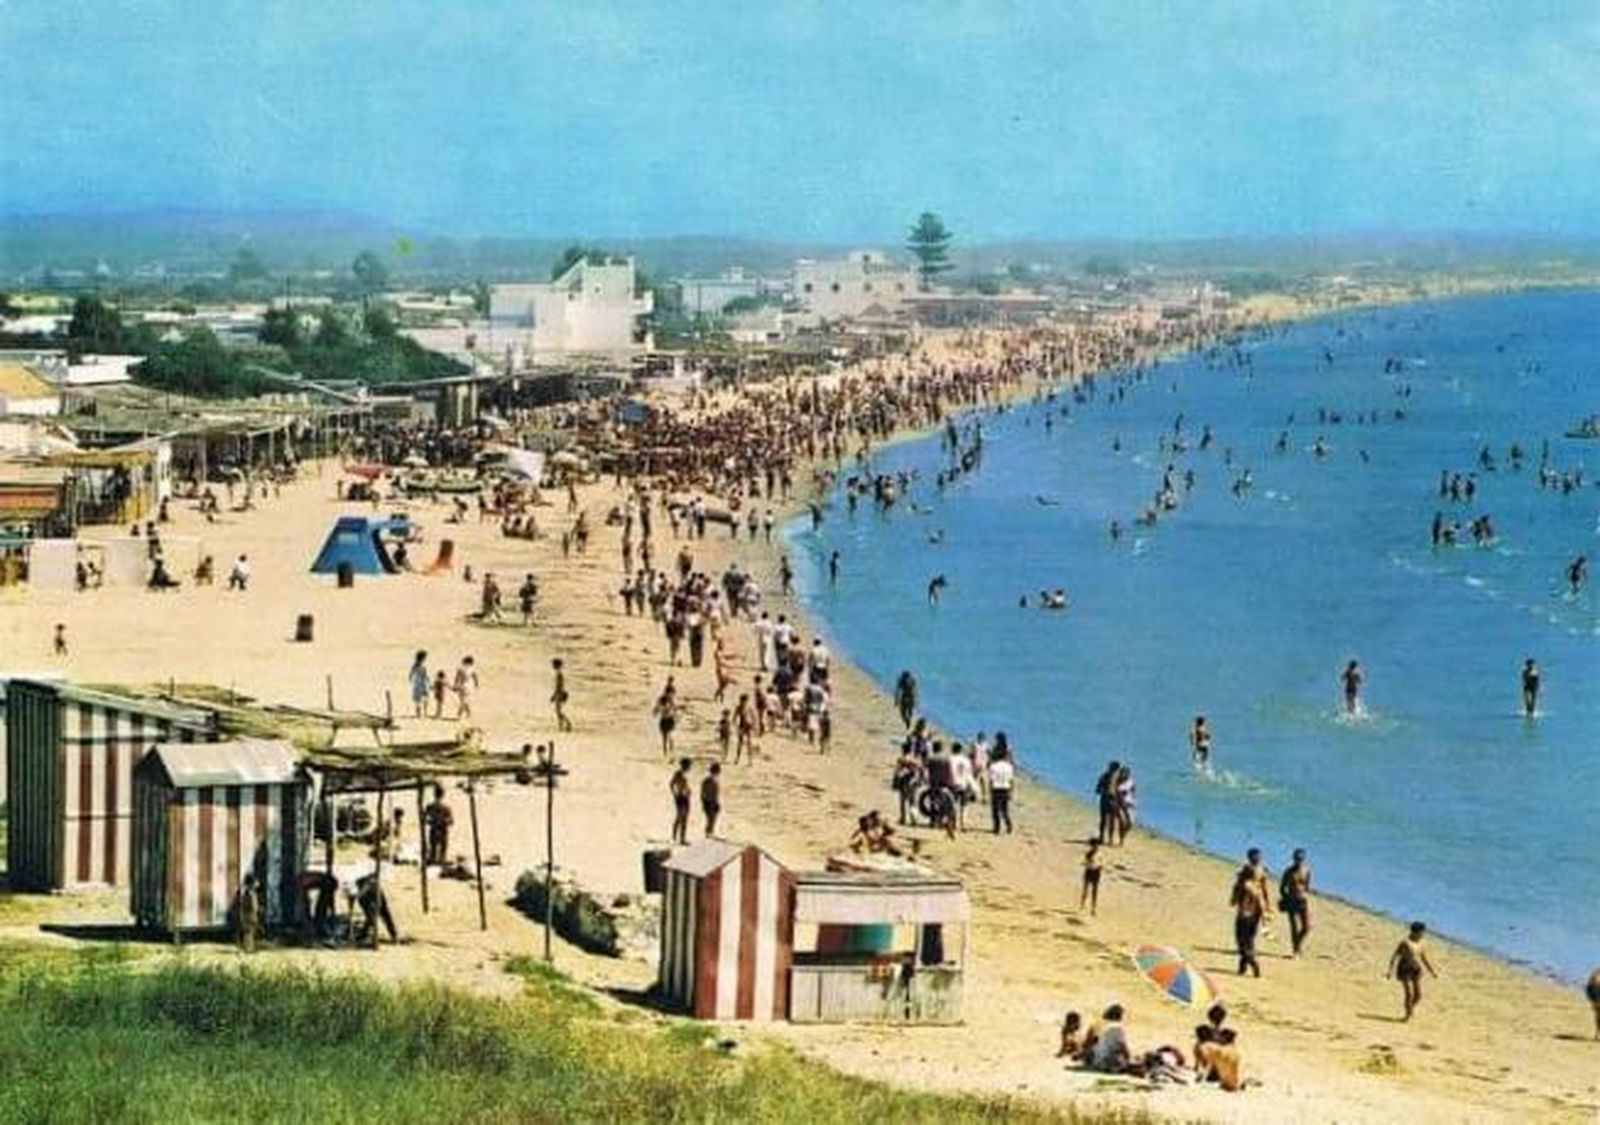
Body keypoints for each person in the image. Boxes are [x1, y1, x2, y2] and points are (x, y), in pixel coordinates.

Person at [1230, 849, 1274, 977]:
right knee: (1249, 939)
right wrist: (1267, 907)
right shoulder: (1261, 874)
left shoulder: (1245, 881)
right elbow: (1265, 891)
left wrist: (1233, 898)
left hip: (1245, 913)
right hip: (1257, 911)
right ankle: (1242, 967)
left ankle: (1253, 963)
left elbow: (1237, 889)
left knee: (1241, 940)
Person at [1386, 921, 1438, 1021]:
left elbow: (1424, 958)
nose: (1423, 934)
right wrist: (1390, 971)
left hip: (1415, 968)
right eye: (1422, 932)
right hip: (1404, 968)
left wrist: (1432, 972)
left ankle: (1410, 1008)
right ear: (1415, 932)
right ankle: (1407, 1015)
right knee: (1409, 993)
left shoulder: (1421, 943)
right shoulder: (1405, 943)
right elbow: (1394, 956)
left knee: (1418, 996)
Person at [1279, 848, 1313, 956]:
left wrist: (1304, 893)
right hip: (1291, 900)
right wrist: (1286, 898)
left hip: (1302, 900)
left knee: (1306, 927)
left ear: (1304, 859)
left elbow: (1307, 886)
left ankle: (1297, 945)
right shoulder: (1288, 872)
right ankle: (1296, 950)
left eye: (1301, 858)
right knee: (1294, 926)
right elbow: (1282, 888)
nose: (1299, 860)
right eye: (1297, 858)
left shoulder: (1307, 871)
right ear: (1293, 859)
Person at [355, 871, 399, 946]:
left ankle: (392, 936)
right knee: (371, 919)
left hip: (377, 901)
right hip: (373, 901)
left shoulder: (370, 885)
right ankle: (364, 935)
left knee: (380, 918)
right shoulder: (367, 887)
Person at [1084, 1004, 1131, 1073]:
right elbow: (1123, 1046)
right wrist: (1129, 1059)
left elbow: (1090, 1042)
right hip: (1107, 1063)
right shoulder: (1117, 1028)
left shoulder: (1099, 1024)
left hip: (1096, 1061)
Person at [422, 785, 453, 865]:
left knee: (433, 848)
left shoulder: (430, 807)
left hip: (434, 829)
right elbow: (451, 821)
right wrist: (443, 821)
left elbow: (424, 819)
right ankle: (441, 860)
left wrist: (432, 821)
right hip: (442, 829)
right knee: (442, 848)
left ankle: (434, 860)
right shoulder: (446, 808)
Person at [988, 747, 1014, 834]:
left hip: (996, 788)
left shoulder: (993, 766)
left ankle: (997, 827)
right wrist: (1011, 791)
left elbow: (991, 780)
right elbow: (1011, 780)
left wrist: (990, 790)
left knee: (995, 810)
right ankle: (1008, 825)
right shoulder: (1009, 766)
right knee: (1005, 810)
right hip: (1005, 788)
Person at [236, 873, 262, 953]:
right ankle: (248, 948)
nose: (258, 884)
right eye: (256, 882)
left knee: (251, 932)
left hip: (250, 914)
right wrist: (256, 911)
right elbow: (251, 905)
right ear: (251, 883)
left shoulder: (250, 893)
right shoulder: (249, 893)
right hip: (249, 915)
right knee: (248, 932)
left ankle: (250, 947)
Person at [669, 758, 692, 845]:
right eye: (689, 765)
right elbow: (671, 784)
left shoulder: (685, 774)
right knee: (679, 817)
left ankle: (682, 838)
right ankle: (675, 836)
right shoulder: (678, 774)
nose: (690, 767)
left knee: (685, 818)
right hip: (680, 797)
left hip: (685, 797)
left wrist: (688, 791)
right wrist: (675, 793)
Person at [1080, 837, 1103, 916]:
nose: (1096, 846)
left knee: (1094, 891)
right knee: (1086, 889)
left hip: (1095, 872)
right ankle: (1083, 904)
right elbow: (1086, 863)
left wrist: (1099, 868)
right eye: (1094, 845)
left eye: (1097, 845)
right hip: (1089, 871)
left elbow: (1101, 863)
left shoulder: (1099, 854)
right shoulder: (1088, 854)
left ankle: (1093, 908)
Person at [700, 762, 722, 837]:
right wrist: (705, 802)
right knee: (711, 819)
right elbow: (703, 793)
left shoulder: (712, 780)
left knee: (712, 819)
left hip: (712, 802)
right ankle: (708, 833)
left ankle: (710, 832)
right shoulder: (709, 781)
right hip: (709, 802)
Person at [452, 655, 478, 720]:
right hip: (467, 686)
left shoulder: (462, 669)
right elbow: (475, 677)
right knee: (464, 701)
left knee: (463, 701)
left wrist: (455, 685)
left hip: (463, 686)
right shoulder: (470, 669)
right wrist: (476, 684)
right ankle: (468, 713)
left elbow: (457, 678)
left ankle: (459, 715)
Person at [551, 657, 573, 732]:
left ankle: (567, 724)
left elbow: (559, 686)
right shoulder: (559, 674)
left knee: (558, 711)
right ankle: (561, 726)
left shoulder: (559, 674)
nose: (552, 666)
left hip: (559, 694)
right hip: (559, 694)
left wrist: (555, 695)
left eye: (553, 665)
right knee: (558, 711)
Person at [408, 651, 429, 718]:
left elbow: (410, 675)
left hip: (417, 683)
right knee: (423, 699)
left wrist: (411, 680)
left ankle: (419, 714)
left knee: (419, 700)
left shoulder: (415, 665)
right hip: (421, 683)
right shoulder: (421, 666)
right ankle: (423, 713)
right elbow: (425, 675)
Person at [1586, 967, 1600, 1040]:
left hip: (1594, 994)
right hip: (1595, 994)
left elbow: (1588, 989)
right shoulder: (1595, 974)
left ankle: (1597, 1034)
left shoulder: (1595, 973)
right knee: (1598, 1015)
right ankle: (1597, 1034)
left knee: (1598, 1015)